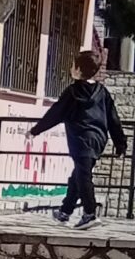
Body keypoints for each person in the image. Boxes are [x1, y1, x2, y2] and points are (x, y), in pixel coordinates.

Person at [29, 45, 127, 226]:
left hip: (80, 139)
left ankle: (90, 213)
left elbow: (55, 113)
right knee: (78, 175)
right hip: (98, 139)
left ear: (79, 70)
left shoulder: (72, 92)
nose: (71, 68)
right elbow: (114, 118)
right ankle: (65, 212)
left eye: (73, 65)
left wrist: (35, 130)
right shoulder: (102, 92)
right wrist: (120, 143)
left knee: (83, 176)